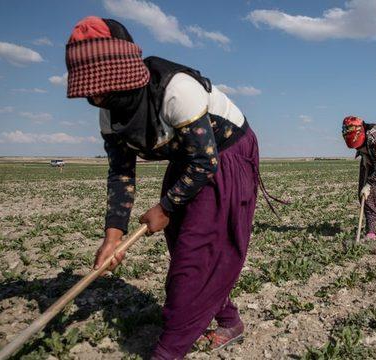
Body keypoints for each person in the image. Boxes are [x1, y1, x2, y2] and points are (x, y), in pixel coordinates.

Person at [65, 17, 258, 359]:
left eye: (100, 87)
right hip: (189, 160)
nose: (95, 97)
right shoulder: (109, 112)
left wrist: (165, 207)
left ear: (122, 74)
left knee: (196, 253)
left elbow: (205, 162)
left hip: (225, 155)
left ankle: (169, 350)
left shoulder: (175, 90)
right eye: (89, 91)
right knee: (184, 245)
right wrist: (113, 236)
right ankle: (228, 318)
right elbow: (121, 173)